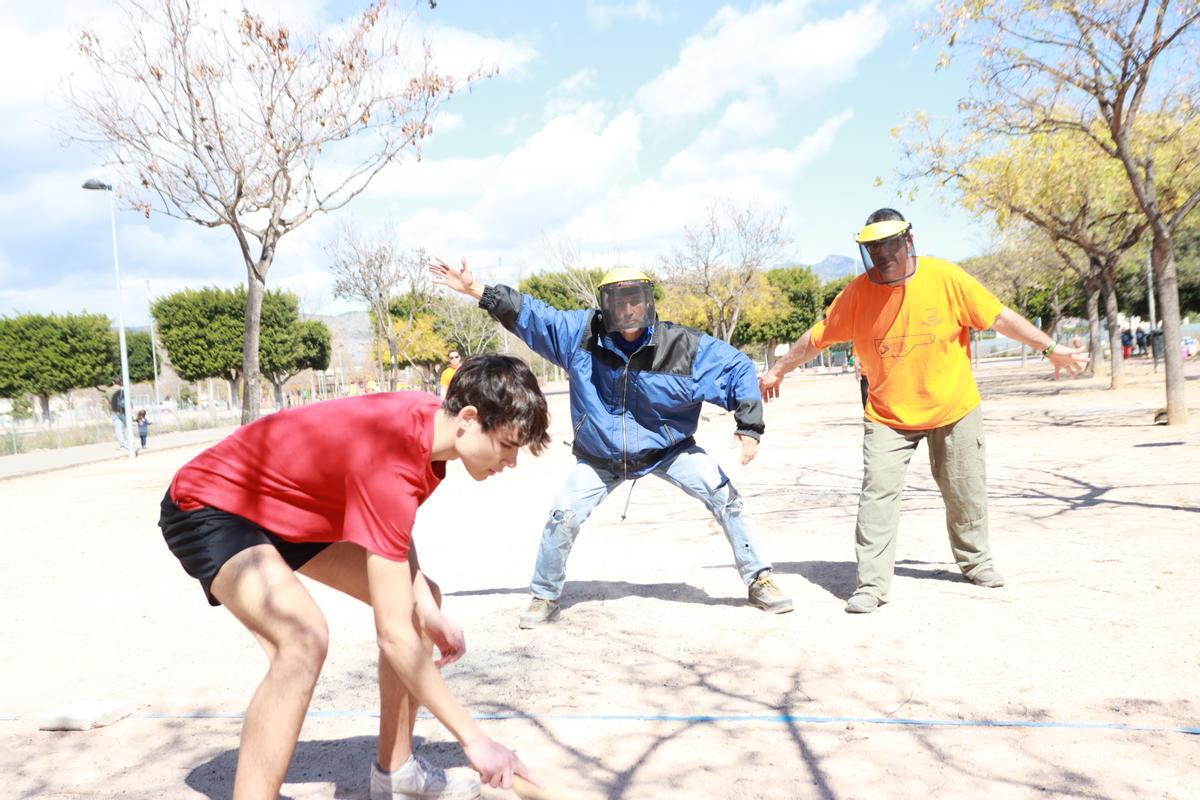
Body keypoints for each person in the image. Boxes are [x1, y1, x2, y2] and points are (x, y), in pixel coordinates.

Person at [158, 355, 550, 800]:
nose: (512, 461)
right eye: (507, 445)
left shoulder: (430, 429)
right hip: (211, 504)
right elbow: (393, 636)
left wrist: (424, 605)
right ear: (469, 418)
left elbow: (393, 526)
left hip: (290, 510)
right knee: (303, 639)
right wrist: (476, 742)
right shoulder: (393, 458)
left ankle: (396, 774)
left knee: (424, 603)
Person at [429, 257, 793, 629]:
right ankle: (545, 594)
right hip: (599, 455)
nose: (628, 308)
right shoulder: (579, 334)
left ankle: (759, 578)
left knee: (726, 498)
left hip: (670, 449)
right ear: (606, 304)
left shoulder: (682, 347)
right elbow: (532, 315)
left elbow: (736, 367)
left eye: (636, 299)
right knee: (563, 515)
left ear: (649, 301)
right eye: (619, 301)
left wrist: (749, 427)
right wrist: (476, 290)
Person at [760, 209, 1088, 614]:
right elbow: (815, 340)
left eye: (890, 247)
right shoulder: (857, 294)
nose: (883, 258)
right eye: (874, 251)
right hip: (888, 415)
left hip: (954, 408)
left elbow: (999, 317)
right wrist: (778, 369)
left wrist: (1050, 349)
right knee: (876, 495)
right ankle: (871, 585)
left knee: (965, 489)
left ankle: (976, 561)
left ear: (909, 242)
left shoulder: (946, 278)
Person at [105, 381, 127, 450]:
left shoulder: (108, 390)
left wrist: (110, 411)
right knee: (128, 427)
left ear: (113, 382)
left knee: (118, 429)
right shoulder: (123, 389)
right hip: (123, 411)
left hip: (114, 411)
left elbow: (107, 402)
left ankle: (122, 445)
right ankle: (127, 442)